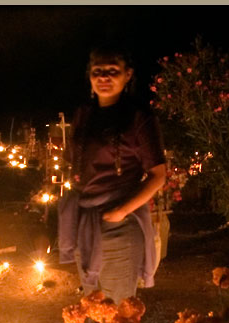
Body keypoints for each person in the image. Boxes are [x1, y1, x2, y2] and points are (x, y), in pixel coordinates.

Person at [58, 47, 167, 302]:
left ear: (128, 75)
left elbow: (158, 175)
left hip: (120, 223)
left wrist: (119, 213)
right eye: (98, 72)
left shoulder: (139, 118)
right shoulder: (84, 114)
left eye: (112, 71)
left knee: (115, 310)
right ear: (89, 76)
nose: (104, 78)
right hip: (86, 220)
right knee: (92, 303)